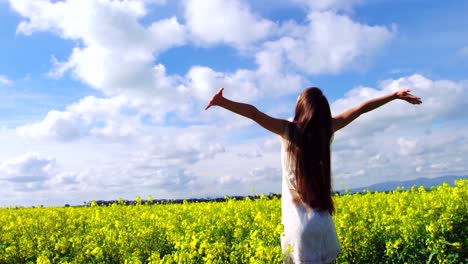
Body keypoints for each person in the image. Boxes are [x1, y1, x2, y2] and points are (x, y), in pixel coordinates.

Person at [205, 87, 422, 263]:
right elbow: (361, 108)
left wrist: (223, 102)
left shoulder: (288, 130)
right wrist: (394, 96)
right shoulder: (328, 129)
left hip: (298, 226)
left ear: (301, 107)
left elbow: (253, 113)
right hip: (322, 220)